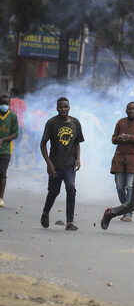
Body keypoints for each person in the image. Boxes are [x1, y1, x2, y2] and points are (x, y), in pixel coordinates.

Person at [40, 97, 84, 231]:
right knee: (53, 191)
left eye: (66, 106)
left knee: (71, 188)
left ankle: (69, 222)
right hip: (55, 165)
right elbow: (43, 144)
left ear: (69, 107)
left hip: (69, 165)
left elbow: (77, 142)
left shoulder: (75, 122)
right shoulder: (51, 123)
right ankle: (45, 212)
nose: (63, 109)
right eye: (60, 107)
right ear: (57, 108)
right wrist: (49, 164)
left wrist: (78, 159)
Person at [110, 102, 134, 222]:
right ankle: (126, 208)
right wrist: (118, 138)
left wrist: (130, 137)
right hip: (119, 158)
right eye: (130, 109)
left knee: (129, 186)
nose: (132, 111)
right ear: (126, 110)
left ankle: (128, 213)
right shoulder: (120, 122)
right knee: (119, 187)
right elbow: (113, 139)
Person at [0, 94, 19, 207]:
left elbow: (15, 134)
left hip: (6, 150)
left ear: (9, 104)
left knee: (2, 174)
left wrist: (3, 140)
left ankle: (1, 198)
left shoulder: (13, 116)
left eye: (6, 103)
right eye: (2, 103)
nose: (4, 105)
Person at [9, 88, 27, 167]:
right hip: (20, 125)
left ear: (12, 93)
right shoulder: (23, 102)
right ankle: (17, 163)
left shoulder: (10, 101)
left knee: (9, 143)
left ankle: (9, 160)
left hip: (12, 125)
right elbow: (26, 113)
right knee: (18, 145)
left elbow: (10, 111)